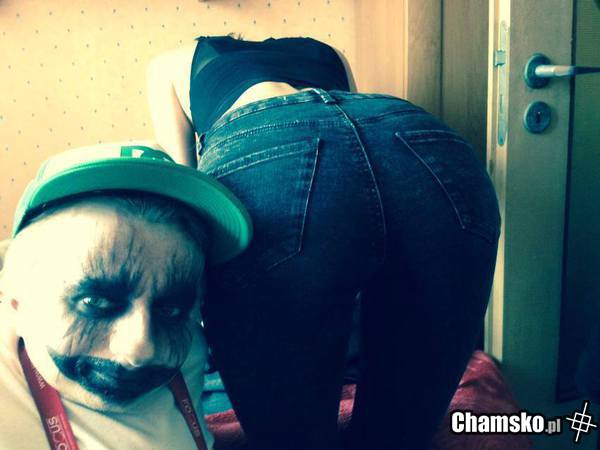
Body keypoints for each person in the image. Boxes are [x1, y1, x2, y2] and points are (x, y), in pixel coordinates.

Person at [147, 35, 501, 450]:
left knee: (291, 439)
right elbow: (354, 161)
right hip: (423, 136)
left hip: (267, 145)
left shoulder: (173, 61)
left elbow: (187, 195)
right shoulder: (328, 51)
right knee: (401, 435)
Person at [0, 141, 251, 450]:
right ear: (15, 297)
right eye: (95, 303)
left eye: (170, 310)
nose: (140, 350)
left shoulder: (188, 350)